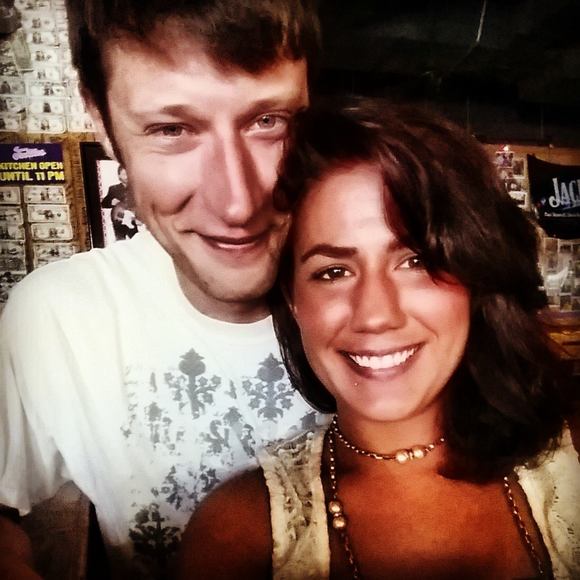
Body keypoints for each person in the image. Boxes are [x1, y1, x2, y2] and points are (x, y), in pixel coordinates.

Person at [177, 99, 580, 579]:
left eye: (415, 261)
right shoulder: (238, 536)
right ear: (292, 298)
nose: (375, 315)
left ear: (474, 274)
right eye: (333, 272)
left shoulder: (570, 458)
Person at [0, 1, 322, 578]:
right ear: (101, 121)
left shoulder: (408, 302)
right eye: (172, 130)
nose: (238, 203)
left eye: (268, 121)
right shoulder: (56, 318)